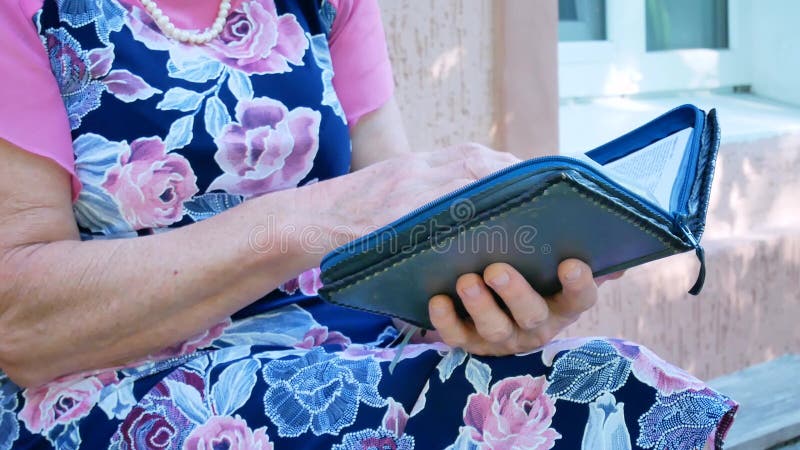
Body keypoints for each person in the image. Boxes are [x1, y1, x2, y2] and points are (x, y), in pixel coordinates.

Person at [0, 0, 736, 448]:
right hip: (119, 390)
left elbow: (397, 229)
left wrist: (479, 305)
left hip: (341, 352)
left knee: (609, 383)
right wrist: (299, 223)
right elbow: (22, 326)